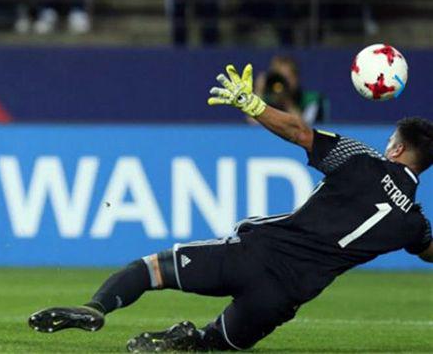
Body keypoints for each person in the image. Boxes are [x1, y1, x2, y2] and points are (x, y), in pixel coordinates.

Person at [29, 63, 432, 352]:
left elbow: (301, 132)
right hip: (284, 297)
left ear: (395, 148)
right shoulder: (413, 224)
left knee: (150, 270)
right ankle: (189, 339)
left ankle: (96, 309)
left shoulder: (361, 160)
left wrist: (253, 105)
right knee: (213, 346)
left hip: (254, 256)